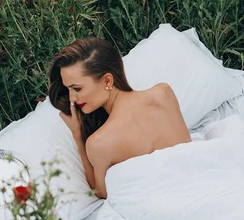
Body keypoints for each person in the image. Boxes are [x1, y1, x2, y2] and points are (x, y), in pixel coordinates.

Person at [47, 37, 192, 199]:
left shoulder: (99, 143)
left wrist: (78, 135)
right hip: (199, 183)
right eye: (68, 90)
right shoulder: (163, 93)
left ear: (107, 80)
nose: (72, 98)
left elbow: (100, 193)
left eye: (77, 89)